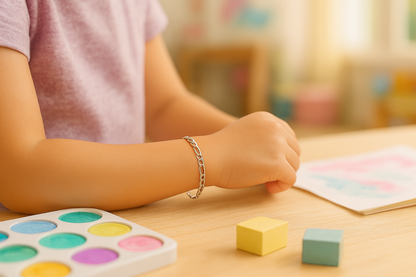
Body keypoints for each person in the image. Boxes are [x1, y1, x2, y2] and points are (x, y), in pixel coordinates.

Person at [0, 0, 301, 214]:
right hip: (39, 233)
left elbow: (165, 106)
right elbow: (19, 171)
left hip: (131, 219)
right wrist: (216, 156)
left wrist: (249, 142)